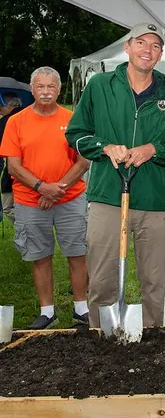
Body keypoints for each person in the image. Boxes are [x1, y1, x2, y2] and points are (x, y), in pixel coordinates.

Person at [66, 23, 165, 328]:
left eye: (156, 46)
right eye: (141, 43)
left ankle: (151, 339)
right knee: (103, 277)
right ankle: (101, 336)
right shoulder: (100, 85)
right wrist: (105, 147)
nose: (148, 50)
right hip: (108, 195)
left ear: (161, 54)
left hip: (155, 200)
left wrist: (154, 149)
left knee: (154, 279)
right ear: (128, 47)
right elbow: (76, 133)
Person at [0, 67, 90, 328]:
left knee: (77, 253)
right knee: (39, 256)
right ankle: (47, 312)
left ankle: (81, 309)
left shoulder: (74, 120)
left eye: (51, 87)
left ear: (59, 89)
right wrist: (42, 187)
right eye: (41, 87)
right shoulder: (16, 122)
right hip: (30, 201)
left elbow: (83, 161)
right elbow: (13, 166)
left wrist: (56, 189)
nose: (46, 92)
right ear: (32, 89)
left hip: (70, 198)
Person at [0, 92, 24, 224]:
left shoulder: (5, 121)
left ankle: (27, 228)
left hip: (12, 173)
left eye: (0, 105)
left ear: (8, 105)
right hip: (35, 173)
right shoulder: (29, 116)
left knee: (8, 207)